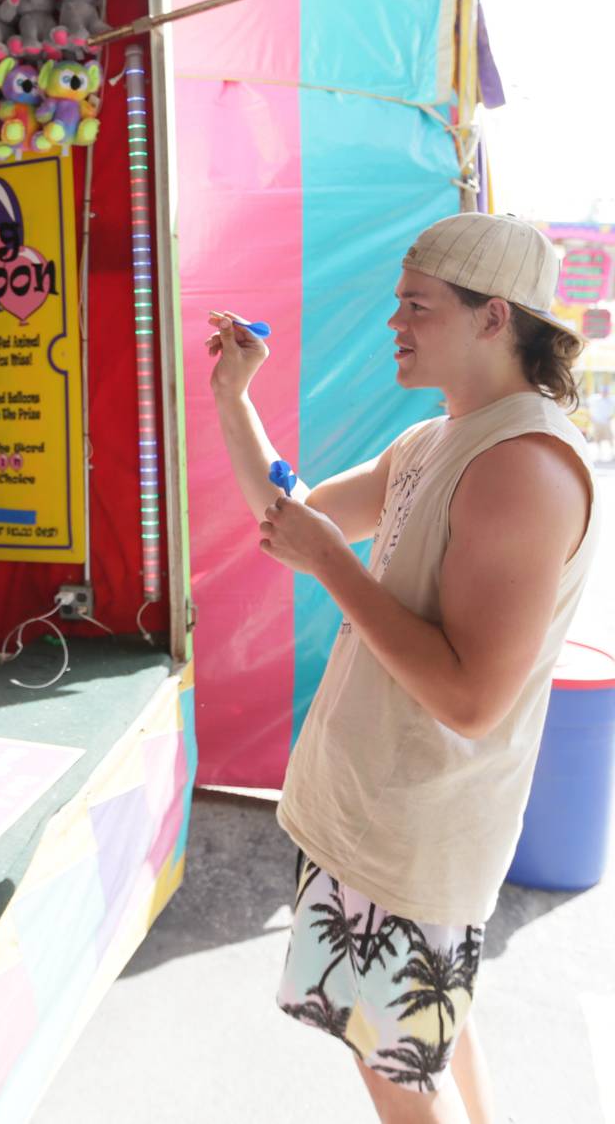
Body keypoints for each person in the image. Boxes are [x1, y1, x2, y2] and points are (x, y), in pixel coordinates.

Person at [206, 214, 600, 1124]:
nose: (396, 323)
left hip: (416, 841)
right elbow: (293, 517)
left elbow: (470, 698)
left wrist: (332, 565)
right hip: (373, 816)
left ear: (494, 318)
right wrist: (234, 399)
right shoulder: (435, 442)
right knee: (426, 1050)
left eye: (417, 306)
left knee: (398, 1084)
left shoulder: (522, 466)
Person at [589, 384, 614, 462]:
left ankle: (612, 453)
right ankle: (599, 453)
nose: (604, 393)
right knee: (597, 438)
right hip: (597, 421)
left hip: (606, 422)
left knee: (610, 438)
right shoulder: (595, 398)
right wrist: (591, 417)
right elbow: (590, 407)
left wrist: (611, 416)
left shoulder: (611, 399)